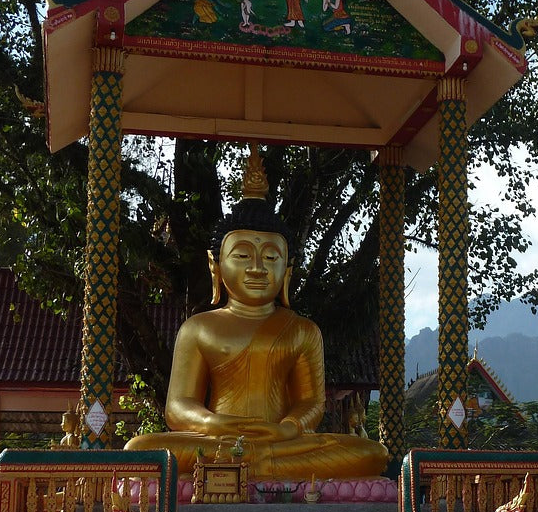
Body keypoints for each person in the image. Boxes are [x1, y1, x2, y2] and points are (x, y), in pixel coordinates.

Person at [125, 147, 387, 481]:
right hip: (216, 438)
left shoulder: (302, 330)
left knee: (371, 452)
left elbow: (311, 404)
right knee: (141, 449)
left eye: (271, 257)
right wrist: (212, 422)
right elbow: (178, 407)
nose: (258, 268)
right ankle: (261, 466)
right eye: (243, 255)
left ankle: (253, 464)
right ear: (216, 266)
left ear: (288, 272)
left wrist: (289, 429)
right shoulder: (200, 328)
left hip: (280, 442)